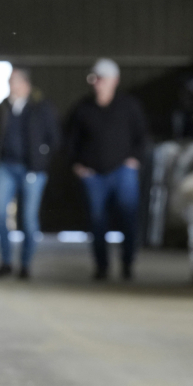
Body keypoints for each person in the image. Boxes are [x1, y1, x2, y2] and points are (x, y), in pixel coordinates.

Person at [65, 58, 149, 281]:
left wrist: (134, 160)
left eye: (101, 79)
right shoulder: (83, 108)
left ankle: (127, 264)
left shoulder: (128, 106)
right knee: (97, 221)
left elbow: (142, 136)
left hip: (123, 172)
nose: (97, 83)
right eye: (94, 78)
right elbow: (71, 140)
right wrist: (77, 165)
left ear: (114, 80)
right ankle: (101, 266)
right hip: (93, 175)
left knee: (128, 219)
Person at [0, 67, 59, 280]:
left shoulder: (41, 107)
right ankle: (5, 262)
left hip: (32, 170)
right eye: (9, 81)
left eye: (15, 81)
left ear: (26, 84)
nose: (11, 86)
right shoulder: (4, 107)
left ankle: (25, 264)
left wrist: (40, 162)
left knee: (28, 219)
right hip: (6, 167)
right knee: (0, 214)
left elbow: (54, 139)